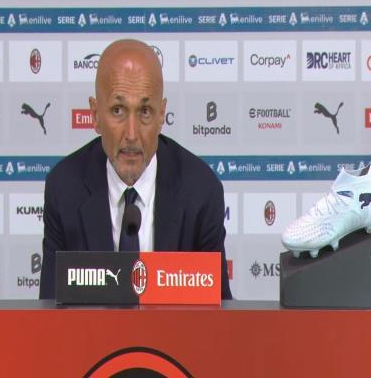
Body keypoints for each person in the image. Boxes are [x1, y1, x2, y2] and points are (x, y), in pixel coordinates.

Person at [39, 39, 232, 299]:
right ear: (95, 115)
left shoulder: (201, 191)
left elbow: (218, 314)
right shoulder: (64, 189)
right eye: (118, 110)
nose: (131, 134)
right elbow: (50, 312)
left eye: (145, 111)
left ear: (161, 115)